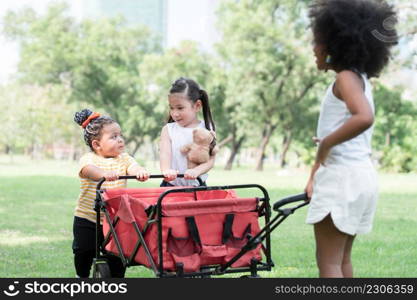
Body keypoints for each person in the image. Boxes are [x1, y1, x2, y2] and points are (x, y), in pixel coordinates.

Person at [304, 0, 398, 278]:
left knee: (329, 263)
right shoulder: (359, 79)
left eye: (317, 41)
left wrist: (327, 143)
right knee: (342, 261)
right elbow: (350, 125)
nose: (314, 48)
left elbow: (364, 117)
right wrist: (324, 143)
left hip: (341, 180)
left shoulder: (345, 77)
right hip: (361, 177)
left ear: (335, 44)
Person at [72, 108, 149, 278]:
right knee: (83, 250)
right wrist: (102, 174)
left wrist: (139, 171)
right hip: (88, 218)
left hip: (115, 219)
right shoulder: (89, 159)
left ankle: (116, 279)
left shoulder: (124, 158)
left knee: (118, 254)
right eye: (113, 137)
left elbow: (133, 166)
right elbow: (87, 170)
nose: (120, 140)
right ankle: (81, 276)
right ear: (97, 145)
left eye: (120, 135)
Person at [159, 77, 217, 186]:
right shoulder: (168, 130)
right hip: (170, 186)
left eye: (180, 108)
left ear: (197, 106)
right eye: (171, 108)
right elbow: (165, 153)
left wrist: (196, 171)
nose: (175, 113)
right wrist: (166, 170)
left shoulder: (206, 128)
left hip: (197, 186)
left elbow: (211, 160)